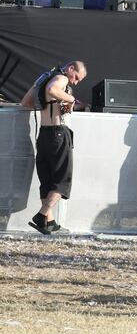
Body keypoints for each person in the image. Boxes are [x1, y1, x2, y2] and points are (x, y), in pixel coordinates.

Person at [20, 61, 87, 234]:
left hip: (43, 134)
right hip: (58, 133)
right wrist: (71, 99)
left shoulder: (43, 79)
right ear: (70, 68)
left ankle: (48, 222)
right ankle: (41, 215)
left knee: (47, 180)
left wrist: (50, 105)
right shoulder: (61, 79)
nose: (75, 82)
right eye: (76, 77)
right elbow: (53, 90)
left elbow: (25, 102)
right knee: (62, 180)